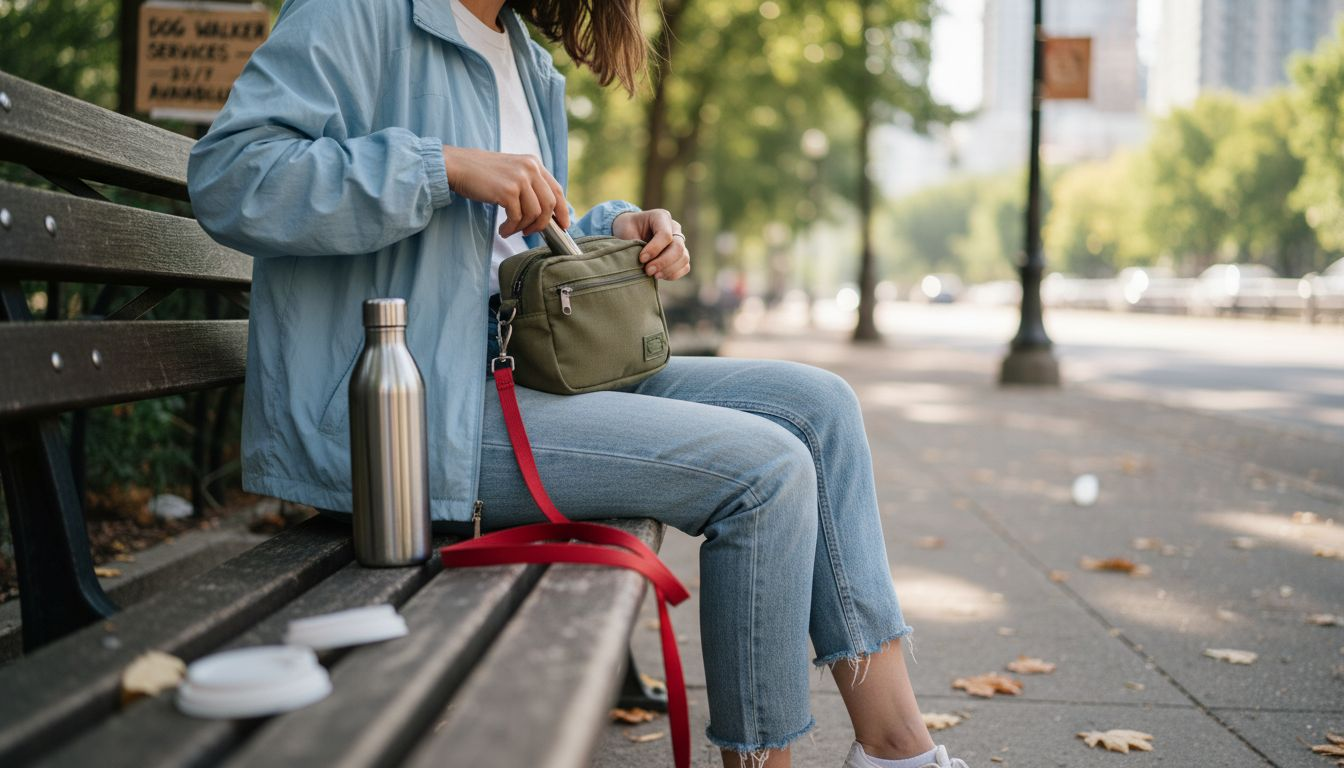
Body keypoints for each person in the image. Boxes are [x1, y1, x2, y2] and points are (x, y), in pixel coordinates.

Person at [188, 1, 969, 766]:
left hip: (523, 376)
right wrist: (441, 165)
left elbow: (506, 253)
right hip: (412, 414)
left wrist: (618, 229)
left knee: (820, 407)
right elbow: (231, 176)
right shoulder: (356, 13)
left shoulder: (520, 52)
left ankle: (898, 752)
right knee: (765, 472)